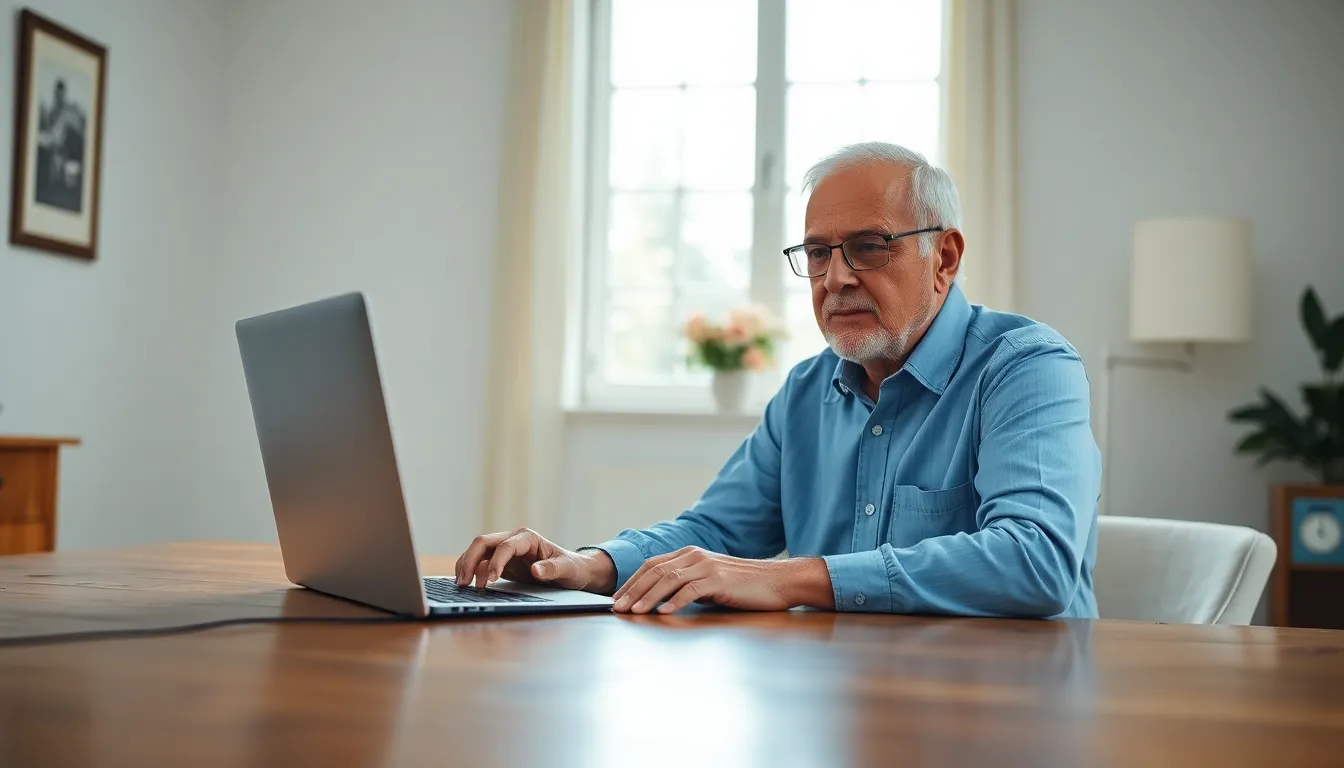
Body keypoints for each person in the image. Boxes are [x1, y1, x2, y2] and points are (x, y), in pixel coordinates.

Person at [455, 142, 1101, 619]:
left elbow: (1035, 560)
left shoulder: (1027, 369)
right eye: (818, 253)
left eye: (869, 247)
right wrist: (582, 566)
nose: (836, 278)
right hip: (844, 696)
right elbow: (715, 537)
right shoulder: (805, 392)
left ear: (946, 259)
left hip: (1008, 707)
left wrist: (790, 578)